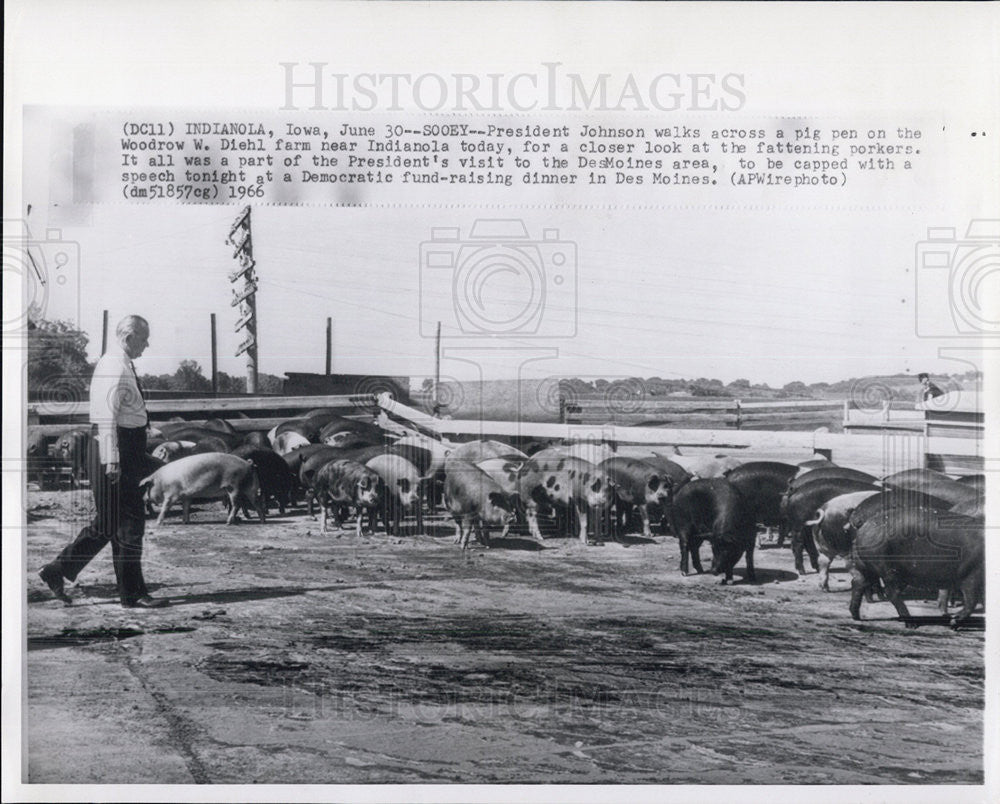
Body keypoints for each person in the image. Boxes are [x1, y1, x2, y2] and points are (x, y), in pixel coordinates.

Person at [38, 315, 169, 608]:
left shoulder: (121, 363)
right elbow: (106, 418)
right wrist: (113, 462)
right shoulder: (113, 366)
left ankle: (58, 571)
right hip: (115, 450)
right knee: (129, 523)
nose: (146, 345)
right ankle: (132, 593)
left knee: (110, 523)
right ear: (129, 336)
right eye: (144, 338)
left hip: (124, 449)